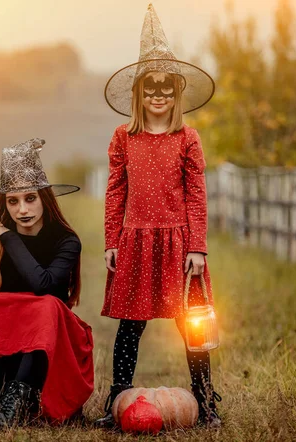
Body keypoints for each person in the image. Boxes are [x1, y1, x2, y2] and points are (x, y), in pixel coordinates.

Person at [95, 4, 222, 428]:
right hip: (135, 239)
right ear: (138, 93)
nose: (159, 96)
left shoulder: (187, 137)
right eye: (151, 88)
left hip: (178, 242)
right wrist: (112, 240)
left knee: (193, 326)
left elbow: (197, 193)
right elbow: (115, 191)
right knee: (131, 326)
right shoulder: (123, 137)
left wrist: (197, 247)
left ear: (176, 93)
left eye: (167, 88)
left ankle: (205, 404)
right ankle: (116, 404)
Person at [0, 138, 94, 429]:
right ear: (5, 204)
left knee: (47, 305)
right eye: (13, 201)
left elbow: (43, 285)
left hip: (44, 351)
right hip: (3, 349)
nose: (22, 209)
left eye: (30, 198)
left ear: (44, 198)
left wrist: (9, 237)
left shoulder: (66, 240)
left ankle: (18, 401)